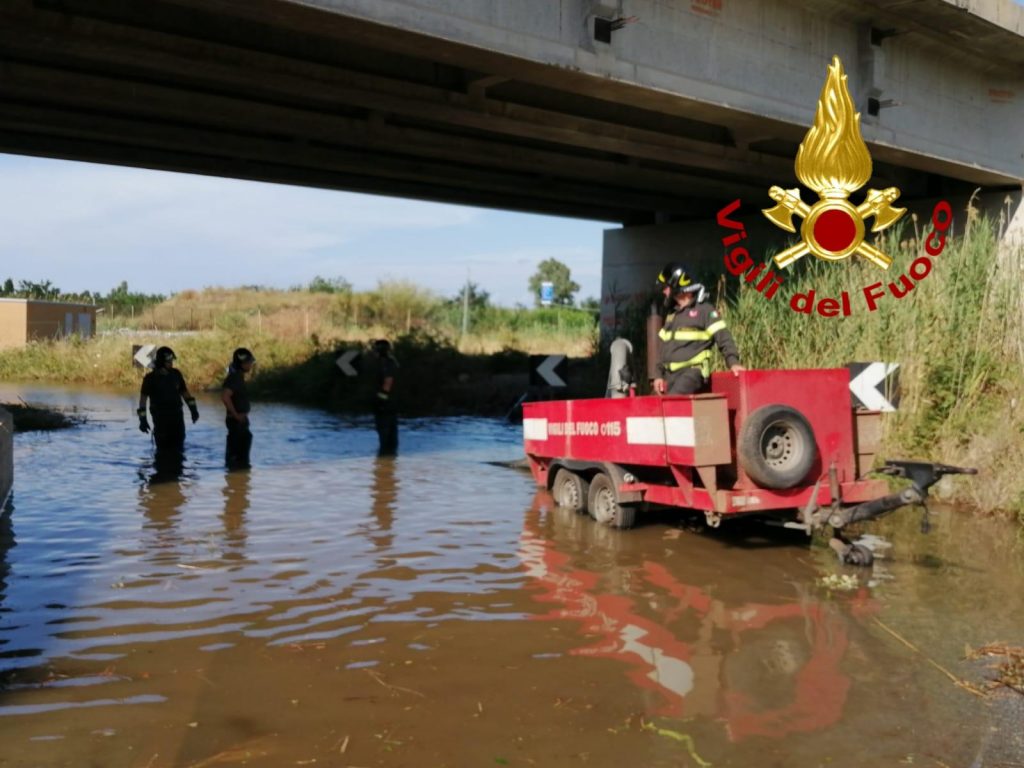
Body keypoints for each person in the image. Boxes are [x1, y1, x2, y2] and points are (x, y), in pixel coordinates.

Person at [653, 262, 745, 395]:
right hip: (671, 376)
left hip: (692, 374)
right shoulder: (672, 315)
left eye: (666, 287)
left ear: (676, 286)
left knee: (672, 403)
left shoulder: (705, 311)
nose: (663, 291)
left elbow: (723, 337)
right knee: (652, 407)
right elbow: (663, 348)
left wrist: (733, 362)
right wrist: (658, 376)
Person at [138, 346, 199, 466]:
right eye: (168, 361)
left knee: (178, 451)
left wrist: (193, 410)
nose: (171, 363)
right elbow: (142, 401)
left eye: (172, 361)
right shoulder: (150, 379)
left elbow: (185, 394)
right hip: (161, 422)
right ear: (161, 362)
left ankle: (176, 475)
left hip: (177, 419)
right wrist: (143, 420)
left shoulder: (176, 374)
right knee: (162, 453)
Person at [222, 347, 255, 469]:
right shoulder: (235, 378)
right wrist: (236, 415)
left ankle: (239, 484)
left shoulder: (238, 377)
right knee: (236, 459)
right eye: (249, 362)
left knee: (240, 457)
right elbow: (225, 397)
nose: (251, 364)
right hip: (237, 422)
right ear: (243, 363)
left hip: (239, 422)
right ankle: (236, 483)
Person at [372, 339, 398, 456]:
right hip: (391, 403)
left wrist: (381, 400)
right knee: (391, 434)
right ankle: (390, 460)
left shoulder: (386, 363)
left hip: (386, 404)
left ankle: (384, 458)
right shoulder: (392, 362)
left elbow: (388, 382)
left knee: (384, 433)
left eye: (375, 349)